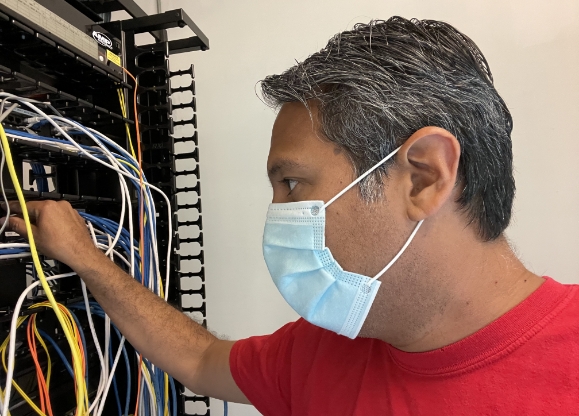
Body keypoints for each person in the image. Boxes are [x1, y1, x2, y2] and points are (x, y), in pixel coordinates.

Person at [4, 16, 579, 415]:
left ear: (424, 176)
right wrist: (85, 258)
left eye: (293, 183)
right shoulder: (327, 352)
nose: (277, 213)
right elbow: (203, 361)